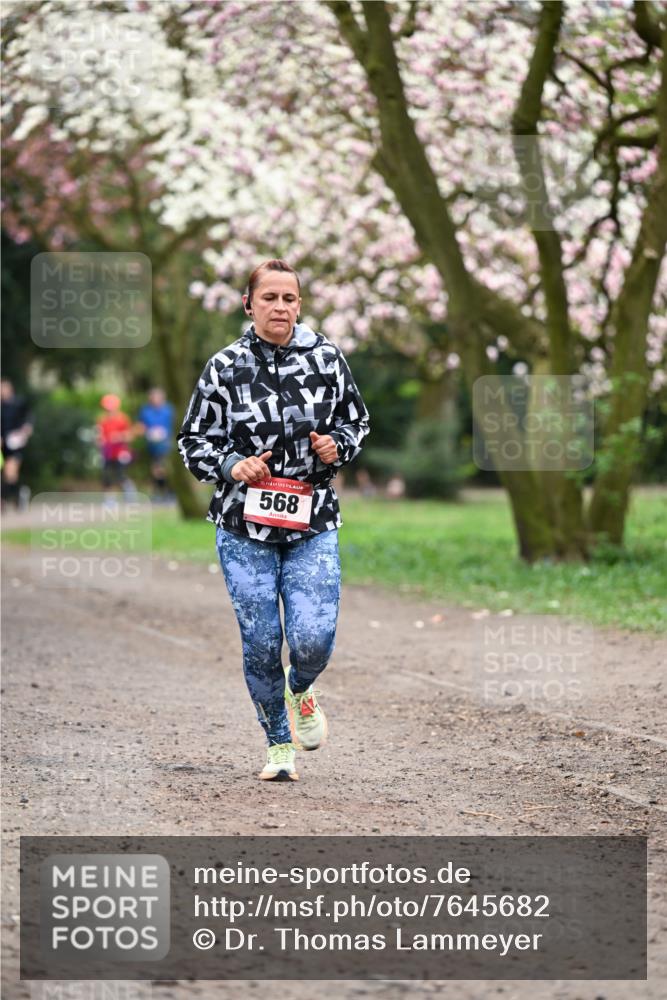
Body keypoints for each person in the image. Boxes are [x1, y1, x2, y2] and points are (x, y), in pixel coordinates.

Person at [178, 259, 369, 781]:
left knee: (313, 640)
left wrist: (338, 446)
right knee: (261, 642)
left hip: (312, 521)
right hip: (243, 526)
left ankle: (301, 688)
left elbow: (356, 421)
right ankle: (278, 744)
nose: (279, 307)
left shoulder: (326, 358)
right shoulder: (225, 366)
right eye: (269, 298)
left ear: (299, 305)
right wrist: (231, 465)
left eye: (288, 298)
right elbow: (193, 440)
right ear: (249, 305)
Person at [135, 387, 174, 501]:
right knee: (156, 469)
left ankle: (167, 492)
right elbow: (141, 426)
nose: (155, 399)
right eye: (153, 397)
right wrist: (146, 432)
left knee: (163, 468)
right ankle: (160, 492)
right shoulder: (145, 411)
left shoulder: (168, 410)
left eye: (157, 397)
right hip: (152, 444)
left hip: (165, 443)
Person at [1, 378, 33, 510]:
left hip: (14, 443)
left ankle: (5, 499)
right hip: (2, 444)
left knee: (10, 472)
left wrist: (27, 428)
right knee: (8, 475)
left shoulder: (19, 403)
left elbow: (28, 418)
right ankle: (19, 494)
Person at [96, 393, 135, 497]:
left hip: (120, 452)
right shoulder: (102, 420)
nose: (109, 410)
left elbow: (129, 436)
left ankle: (129, 491)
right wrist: (100, 441)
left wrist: (119, 437)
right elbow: (99, 435)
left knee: (120, 474)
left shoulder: (123, 419)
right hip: (107, 452)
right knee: (106, 475)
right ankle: (109, 498)